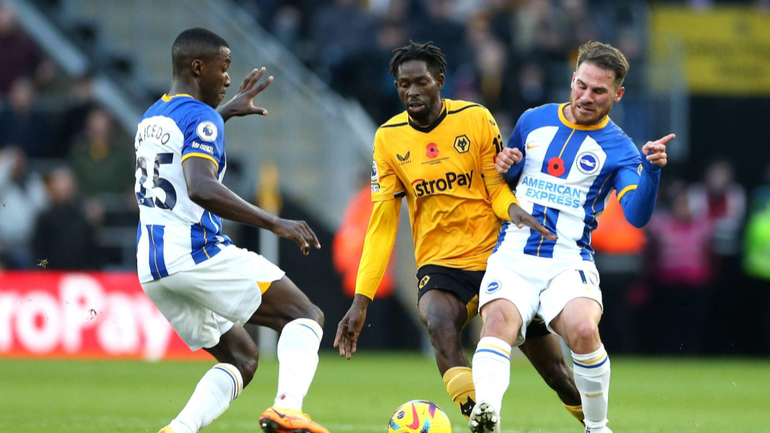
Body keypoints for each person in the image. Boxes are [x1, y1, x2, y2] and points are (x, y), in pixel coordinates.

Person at [334, 41, 585, 426]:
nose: (412, 92)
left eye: (420, 83)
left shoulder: (475, 119)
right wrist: (361, 299)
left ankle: (593, 423)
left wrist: (513, 210)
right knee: (436, 319)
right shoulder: (387, 138)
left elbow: (497, 188)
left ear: (439, 81)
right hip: (441, 263)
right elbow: (382, 222)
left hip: (498, 257)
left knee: (556, 373)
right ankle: (483, 419)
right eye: (404, 85)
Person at [470, 41, 674, 433]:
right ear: (572, 79)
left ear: (618, 94)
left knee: (583, 330)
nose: (586, 96)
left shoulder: (622, 150)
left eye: (599, 91)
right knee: (497, 323)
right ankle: (487, 415)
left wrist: (651, 173)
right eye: (581, 85)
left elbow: (637, 216)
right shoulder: (533, 120)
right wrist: (506, 167)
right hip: (514, 253)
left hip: (568, 260)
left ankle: (596, 428)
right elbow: (504, 182)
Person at [136, 28, 328, 433]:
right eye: (223, 69)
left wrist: (223, 114)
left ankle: (179, 430)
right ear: (197, 67)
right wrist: (275, 221)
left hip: (153, 267)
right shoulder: (201, 117)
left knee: (242, 357)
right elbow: (200, 187)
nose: (227, 79)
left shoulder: (152, 116)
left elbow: (177, 156)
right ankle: (288, 409)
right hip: (195, 252)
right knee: (304, 315)